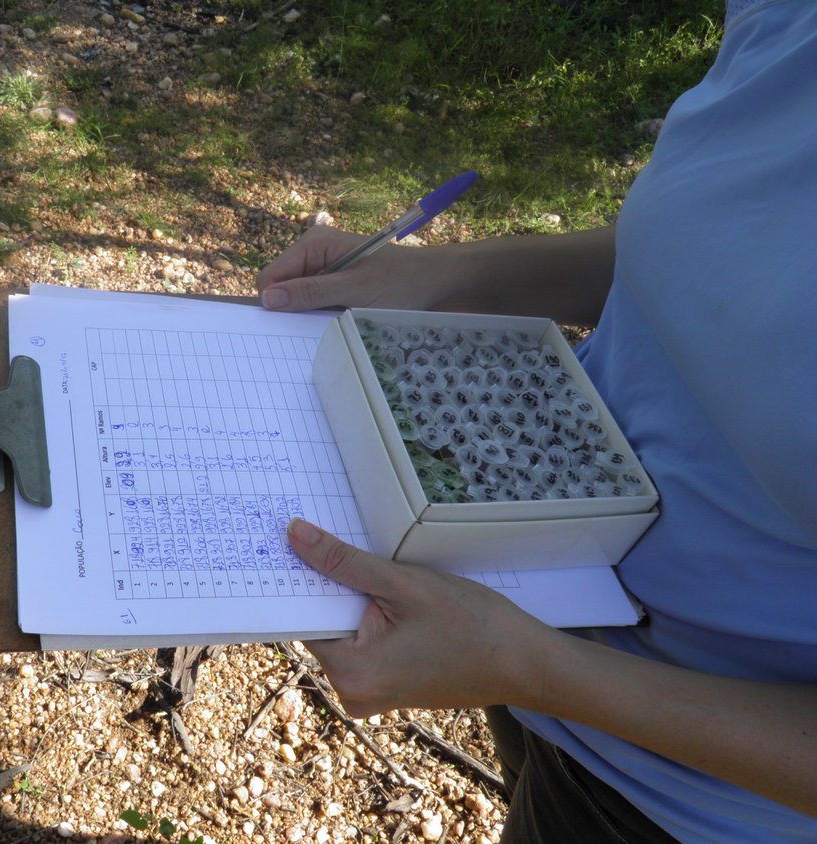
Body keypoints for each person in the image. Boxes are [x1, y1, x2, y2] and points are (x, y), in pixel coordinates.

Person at [255, 2, 817, 841]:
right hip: (512, 587)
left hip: (668, 792)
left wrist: (537, 667)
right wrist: (442, 276)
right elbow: (717, 251)